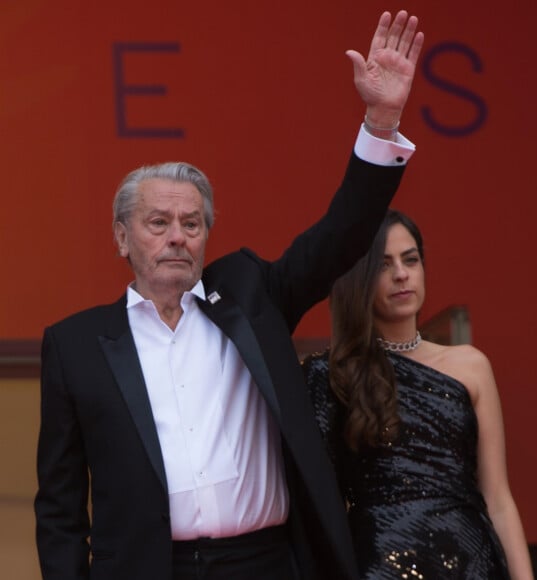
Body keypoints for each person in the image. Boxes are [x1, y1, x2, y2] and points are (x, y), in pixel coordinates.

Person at [34, 11, 424, 580]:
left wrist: (381, 121)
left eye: (192, 223)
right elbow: (61, 508)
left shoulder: (250, 295)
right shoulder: (75, 346)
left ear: (207, 235)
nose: (176, 236)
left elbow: (340, 236)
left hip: (265, 563)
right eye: (158, 222)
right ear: (122, 237)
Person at [303, 209, 534, 579]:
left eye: (411, 260)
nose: (401, 274)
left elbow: (499, 498)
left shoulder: (471, 365)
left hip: (472, 562)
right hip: (380, 565)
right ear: (358, 279)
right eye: (383, 265)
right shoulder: (330, 374)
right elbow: (316, 507)